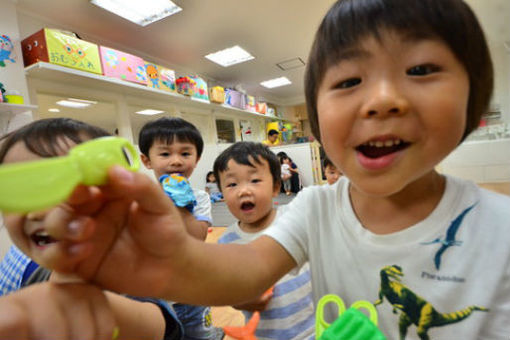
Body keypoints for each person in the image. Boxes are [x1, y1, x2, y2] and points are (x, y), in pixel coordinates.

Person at [15, 0, 510, 338]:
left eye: (420, 70)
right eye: (350, 80)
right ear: (316, 118)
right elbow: (244, 271)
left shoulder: (500, 227)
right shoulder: (318, 206)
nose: (382, 100)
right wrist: (162, 260)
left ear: (474, 96)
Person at [0, 118, 183, 339]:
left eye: (66, 186)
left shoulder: (122, 272)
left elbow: (154, 325)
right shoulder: (32, 271)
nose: (37, 213)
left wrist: (80, 306)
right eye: (18, 192)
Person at [215, 142, 315, 340]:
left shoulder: (293, 219)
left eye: (254, 180)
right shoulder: (227, 242)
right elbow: (231, 292)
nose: (243, 191)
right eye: (232, 184)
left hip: (313, 328)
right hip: (265, 334)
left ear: (276, 187)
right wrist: (242, 301)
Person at [138, 117, 223, 340]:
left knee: (200, 337)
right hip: (156, 298)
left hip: (193, 293)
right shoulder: (141, 198)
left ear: (196, 160)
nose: (176, 161)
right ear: (147, 160)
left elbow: (197, 237)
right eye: (165, 154)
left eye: (185, 154)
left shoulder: (200, 197)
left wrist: (182, 205)